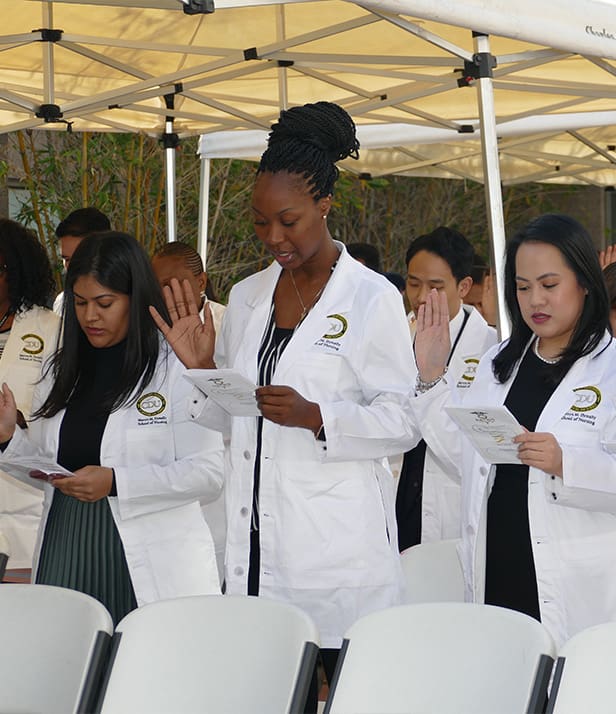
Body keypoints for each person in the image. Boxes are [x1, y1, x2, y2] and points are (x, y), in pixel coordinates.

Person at [151, 101, 420, 710]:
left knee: (345, 694)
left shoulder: (370, 297)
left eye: (289, 221)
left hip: (335, 550)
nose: (274, 237)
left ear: (324, 205)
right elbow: (238, 419)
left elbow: (403, 419)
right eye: (260, 223)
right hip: (252, 543)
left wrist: (318, 416)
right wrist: (202, 373)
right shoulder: (248, 297)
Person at [412, 213, 616, 646]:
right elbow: (461, 455)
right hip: (499, 561)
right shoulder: (498, 363)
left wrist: (567, 463)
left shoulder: (611, 370)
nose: (535, 301)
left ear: (584, 282)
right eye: (523, 288)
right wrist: (431, 377)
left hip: (576, 579)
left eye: (549, 285)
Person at [0, 232, 224, 623]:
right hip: (66, 545)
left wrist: (117, 482)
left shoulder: (175, 366)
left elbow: (208, 475)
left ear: (135, 299)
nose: (90, 316)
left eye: (105, 303)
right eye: (81, 303)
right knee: (68, 667)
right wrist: (8, 439)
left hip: (146, 559)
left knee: (145, 671)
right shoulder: (60, 371)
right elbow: (49, 472)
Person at [396, 227, 497, 550]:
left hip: (449, 506)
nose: (422, 296)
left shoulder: (491, 349)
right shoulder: (392, 334)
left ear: (464, 286)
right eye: (414, 283)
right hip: (396, 493)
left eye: (436, 286)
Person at [151, 240, 227, 582]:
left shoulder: (229, 322)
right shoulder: (146, 329)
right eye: (158, 285)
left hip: (218, 478)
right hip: (162, 480)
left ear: (201, 282)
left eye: (175, 284)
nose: (166, 294)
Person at [0, 219, 60, 581]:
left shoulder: (49, 328)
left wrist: (19, 421)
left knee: (21, 624)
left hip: (26, 510)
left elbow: (62, 416)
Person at [151, 241, 226, 335]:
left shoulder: (228, 324)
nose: (163, 293)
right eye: (155, 286)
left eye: (171, 285)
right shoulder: (147, 326)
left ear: (201, 283)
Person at [53, 207, 111, 314]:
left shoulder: (133, 300)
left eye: (80, 258)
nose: (73, 267)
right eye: (67, 259)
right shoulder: (62, 303)